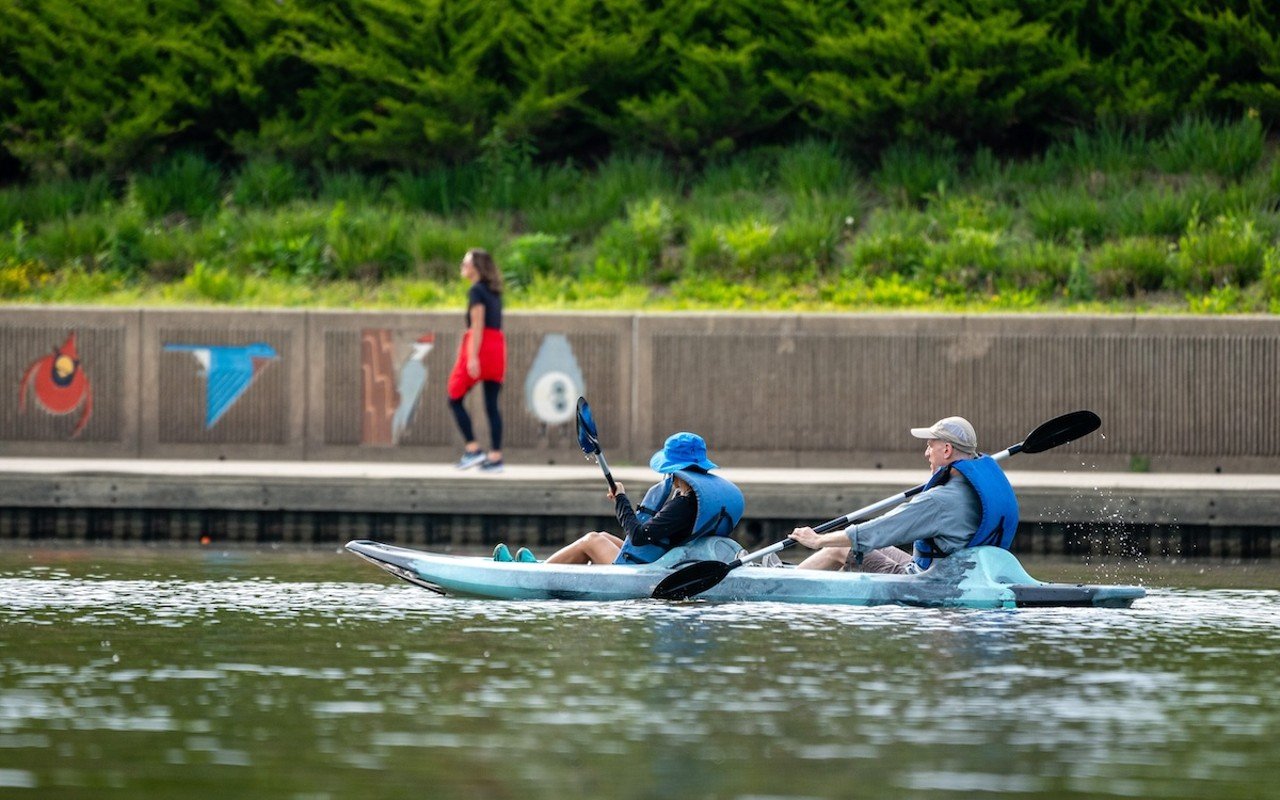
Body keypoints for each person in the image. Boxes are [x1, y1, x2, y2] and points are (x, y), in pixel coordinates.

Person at [788, 416, 1019, 574]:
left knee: (837, 547)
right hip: (959, 573)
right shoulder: (971, 489)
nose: (926, 452)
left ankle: (783, 584)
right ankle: (811, 579)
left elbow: (880, 530)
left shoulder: (939, 501)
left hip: (925, 582)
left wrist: (817, 539)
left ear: (947, 450)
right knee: (864, 549)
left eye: (931, 445)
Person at [492, 432, 744, 565]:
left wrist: (621, 500)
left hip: (647, 567)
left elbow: (639, 536)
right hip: (660, 554)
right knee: (602, 536)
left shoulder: (683, 505)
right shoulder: (697, 501)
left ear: (675, 469)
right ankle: (545, 565)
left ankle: (535, 573)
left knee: (591, 540)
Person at [448, 248, 506, 473]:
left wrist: (472, 357)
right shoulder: (494, 292)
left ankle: (473, 450)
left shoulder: (476, 291)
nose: (462, 266)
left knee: (454, 397)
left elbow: (477, 324)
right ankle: (496, 457)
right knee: (492, 405)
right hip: (497, 347)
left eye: (466, 263)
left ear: (476, 267)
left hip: (479, 345)